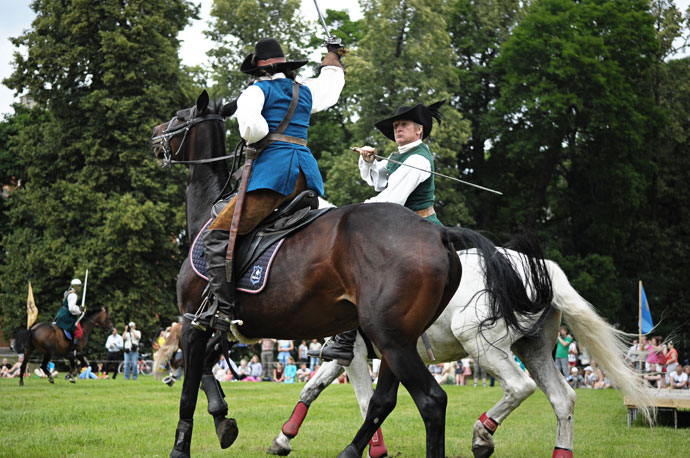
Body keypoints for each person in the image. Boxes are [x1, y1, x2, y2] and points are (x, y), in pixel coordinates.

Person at [202, 37, 346, 333]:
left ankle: (223, 311)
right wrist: (333, 56)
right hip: (306, 176)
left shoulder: (256, 91)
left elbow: (252, 130)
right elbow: (331, 85)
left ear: (259, 70)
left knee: (217, 234)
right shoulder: (305, 90)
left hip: (274, 178)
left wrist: (256, 137)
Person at [309, 99, 445, 366]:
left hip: (420, 230)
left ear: (419, 130)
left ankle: (347, 337)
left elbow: (392, 199)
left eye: (403, 124)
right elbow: (378, 181)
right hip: (401, 227)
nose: (397, 129)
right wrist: (368, 162)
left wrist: (349, 213)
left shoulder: (418, 158)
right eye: (395, 125)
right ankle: (347, 337)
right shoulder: (397, 156)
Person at [54, 278, 84, 355]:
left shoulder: (67, 292)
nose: (80, 288)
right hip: (67, 316)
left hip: (61, 313)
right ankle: (72, 349)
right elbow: (71, 308)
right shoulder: (73, 295)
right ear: (76, 286)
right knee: (79, 331)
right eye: (79, 286)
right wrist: (80, 310)